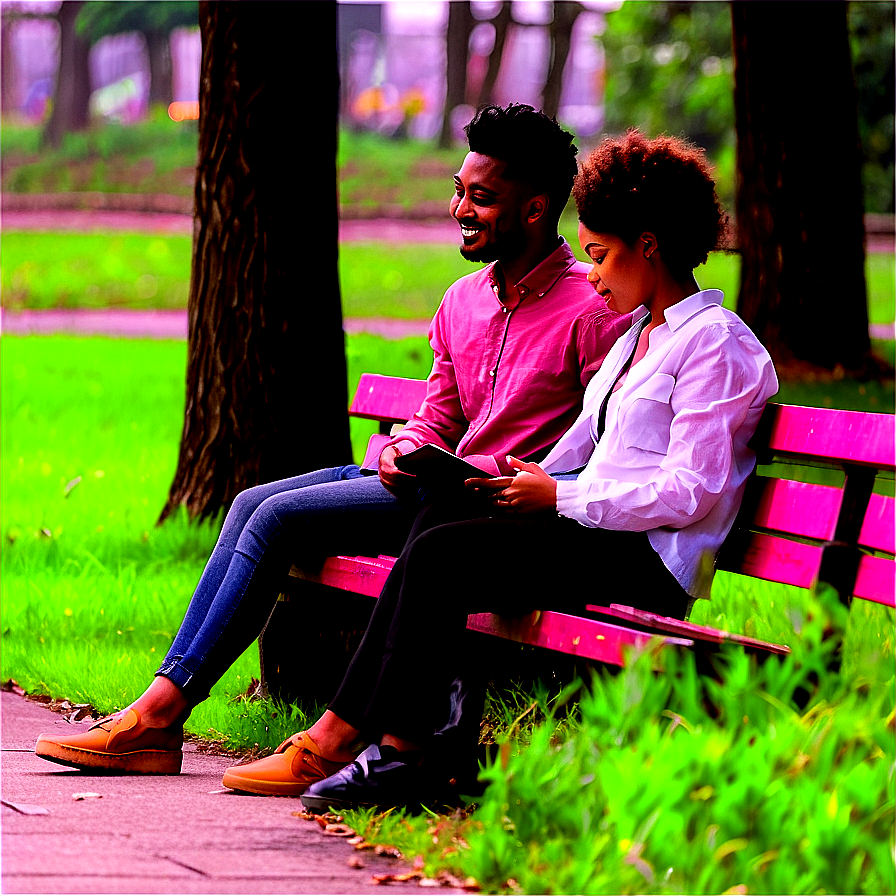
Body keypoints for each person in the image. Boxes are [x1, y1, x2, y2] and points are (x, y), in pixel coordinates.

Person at [33, 104, 627, 793]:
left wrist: (493, 473)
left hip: (485, 509)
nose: (460, 208)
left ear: (534, 210)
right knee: (251, 500)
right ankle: (158, 716)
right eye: (459, 189)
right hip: (427, 485)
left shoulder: (592, 310)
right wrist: (403, 447)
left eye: (481, 198)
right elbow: (437, 412)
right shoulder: (464, 300)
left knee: (279, 519)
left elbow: (598, 447)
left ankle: (162, 715)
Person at [293, 130, 779, 812]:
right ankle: (430, 747)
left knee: (443, 557)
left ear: (649, 246)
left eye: (603, 257)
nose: (596, 277)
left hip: (646, 559)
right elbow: (584, 444)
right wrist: (521, 479)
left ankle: (396, 750)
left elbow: (690, 490)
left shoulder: (716, 347)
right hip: (600, 535)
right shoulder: (642, 336)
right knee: (449, 512)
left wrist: (561, 497)